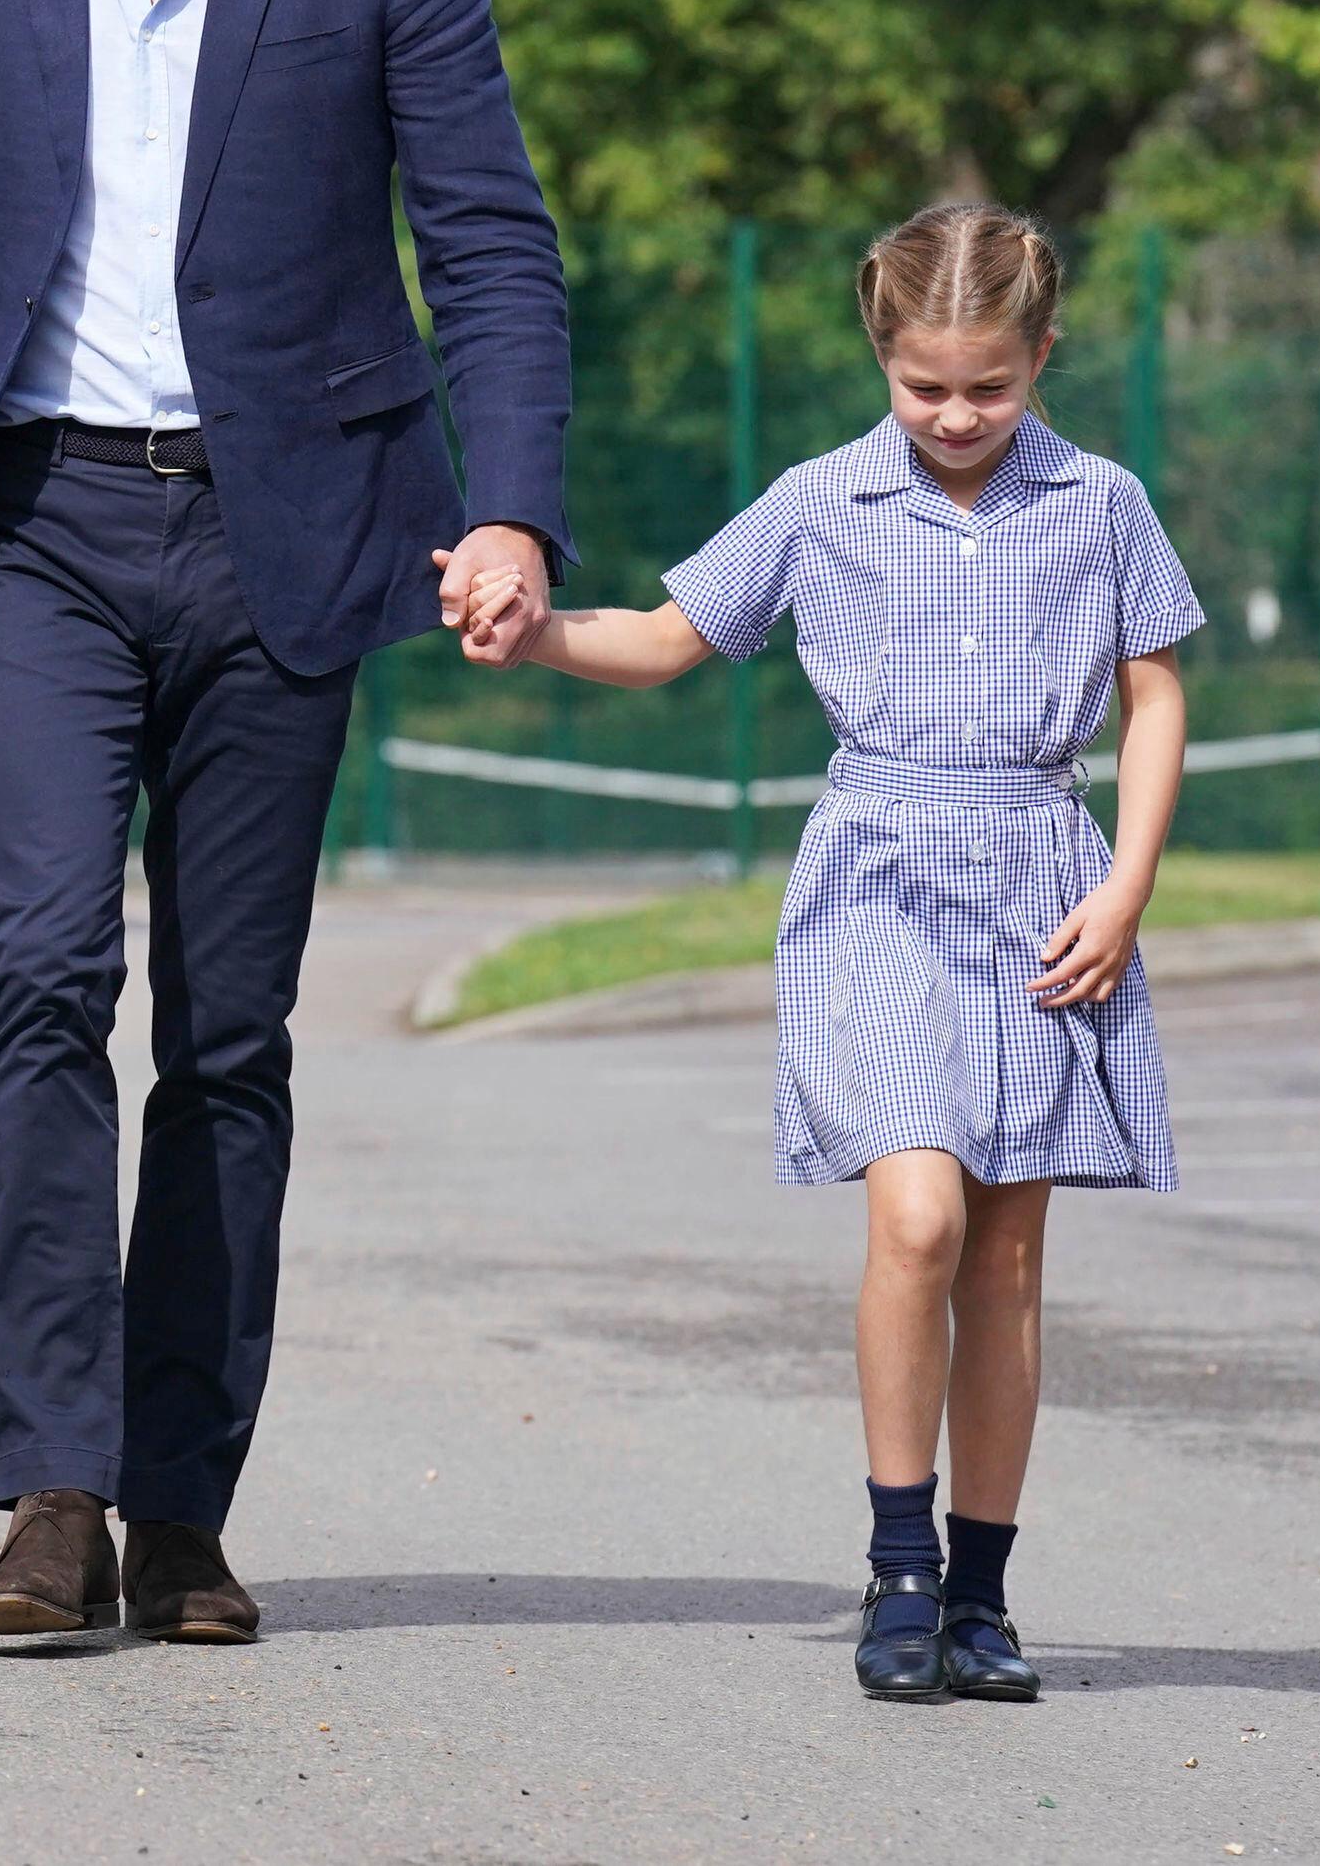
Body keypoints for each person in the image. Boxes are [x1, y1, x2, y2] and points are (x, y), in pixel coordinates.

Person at [0, 0, 574, 1643]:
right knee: (42, 982)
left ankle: (184, 1505)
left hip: (287, 535)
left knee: (226, 1036)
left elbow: (491, 244)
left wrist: (508, 507)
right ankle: (53, 1496)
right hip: (38, 534)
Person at [458, 201, 1197, 1705]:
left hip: (1044, 883)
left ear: (1042, 355)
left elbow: (1154, 697)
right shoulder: (822, 497)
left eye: (990, 385)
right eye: (926, 385)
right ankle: (902, 1562)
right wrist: (530, 626)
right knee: (915, 1213)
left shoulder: (1104, 501)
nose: (956, 414)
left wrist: (1125, 888)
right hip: (875, 871)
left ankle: (983, 1596)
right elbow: (668, 637)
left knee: (1003, 1249)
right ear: (885, 355)